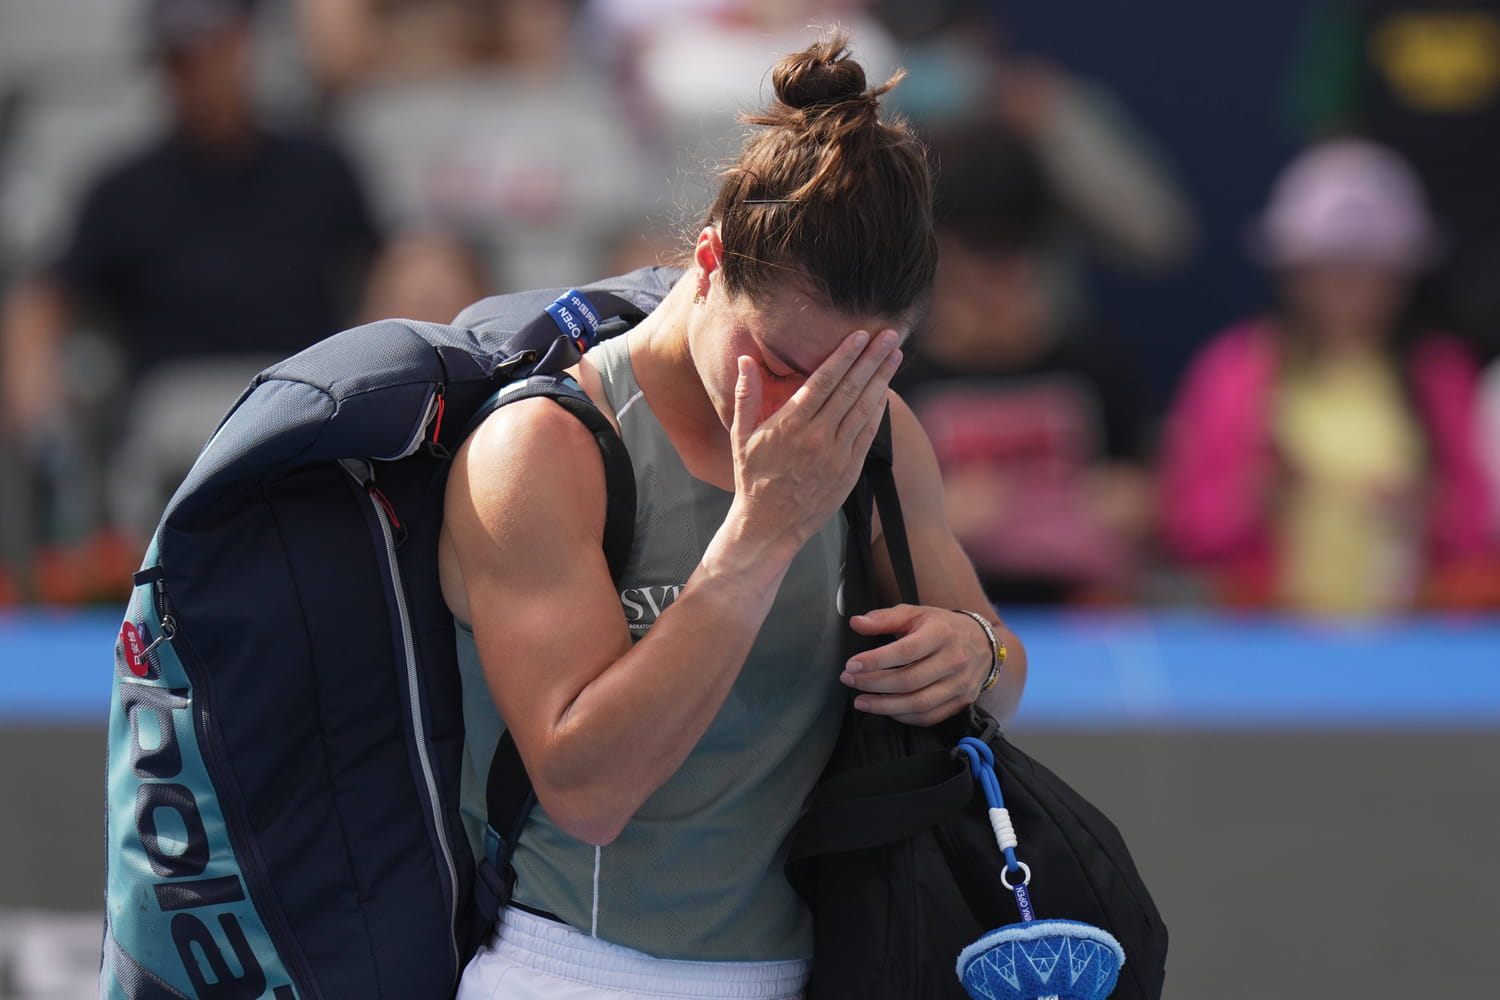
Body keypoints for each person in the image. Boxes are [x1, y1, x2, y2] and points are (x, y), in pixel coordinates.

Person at [438, 31, 1027, 1000]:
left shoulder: (879, 431)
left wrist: (975, 653)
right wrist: (763, 531)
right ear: (707, 262)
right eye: (784, 365)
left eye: (855, 375)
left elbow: (1002, 671)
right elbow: (586, 792)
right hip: (579, 968)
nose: (809, 412)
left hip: (822, 967)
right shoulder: (543, 449)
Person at [0, 0, 380, 568]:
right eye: (175, 57)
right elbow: (49, 297)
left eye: (206, 48)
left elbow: (386, 268)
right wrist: (41, 405)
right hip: (172, 410)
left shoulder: (321, 169)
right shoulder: (123, 189)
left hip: (305, 388)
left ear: (243, 45)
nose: (191, 70)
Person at [1158, 137, 1493, 615]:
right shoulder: (1235, 367)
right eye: (1330, 268)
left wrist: (1428, 511)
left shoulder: (1442, 373)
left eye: (1369, 268)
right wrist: (1254, 500)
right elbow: (1184, 527)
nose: (1348, 285)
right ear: (1292, 272)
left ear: (1405, 277)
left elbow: (1480, 529)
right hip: (1264, 635)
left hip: (1414, 635)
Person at [892, 121, 1154, 605]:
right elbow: (858, 527)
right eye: (981, 253)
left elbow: (1148, 493)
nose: (998, 277)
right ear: (940, 256)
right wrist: (930, 519)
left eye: (1014, 252)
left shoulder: (1094, 367)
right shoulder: (899, 377)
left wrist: (1132, 502)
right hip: (944, 614)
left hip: (1080, 616)